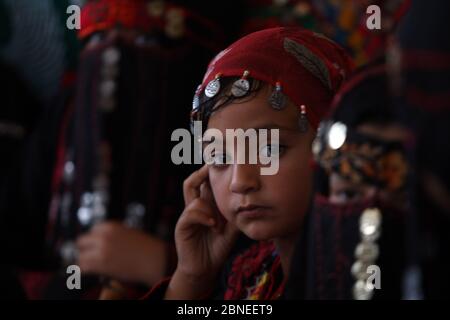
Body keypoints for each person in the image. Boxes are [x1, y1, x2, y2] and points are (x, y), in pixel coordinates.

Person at [143, 26, 353, 300]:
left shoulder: (361, 276)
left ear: (332, 145)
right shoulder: (252, 274)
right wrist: (192, 278)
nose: (240, 182)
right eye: (220, 158)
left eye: (269, 149)